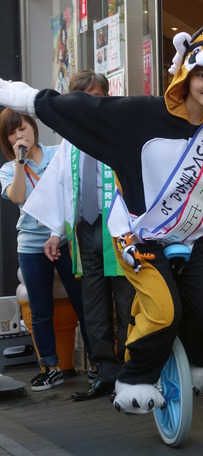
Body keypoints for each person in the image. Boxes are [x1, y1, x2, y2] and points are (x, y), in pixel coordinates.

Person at [0, 19, 203, 414]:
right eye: (201, 74)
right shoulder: (141, 116)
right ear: (185, 72)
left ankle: (201, 360)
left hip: (201, 238)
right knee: (163, 309)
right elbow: (83, 110)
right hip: (140, 235)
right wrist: (22, 97)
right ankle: (134, 377)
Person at [24, 70, 135, 401]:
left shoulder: (122, 134)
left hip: (119, 232)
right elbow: (60, 190)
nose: (92, 104)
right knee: (94, 308)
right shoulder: (68, 144)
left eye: (98, 96)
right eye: (85, 97)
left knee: (128, 304)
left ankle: (133, 372)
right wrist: (55, 233)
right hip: (83, 231)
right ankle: (105, 373)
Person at [0, 110, 90, 391]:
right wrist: (19, 163)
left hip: (64, 239)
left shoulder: (58, 154)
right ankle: (51, 367)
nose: (19, 136)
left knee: (85, 303)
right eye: (12, 133)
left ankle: (99, 362)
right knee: (41, 310)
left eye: (23, 129)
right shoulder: (7, 169)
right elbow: (17, 197)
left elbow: (72, 190)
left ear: (33, 128)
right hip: (30, 245)